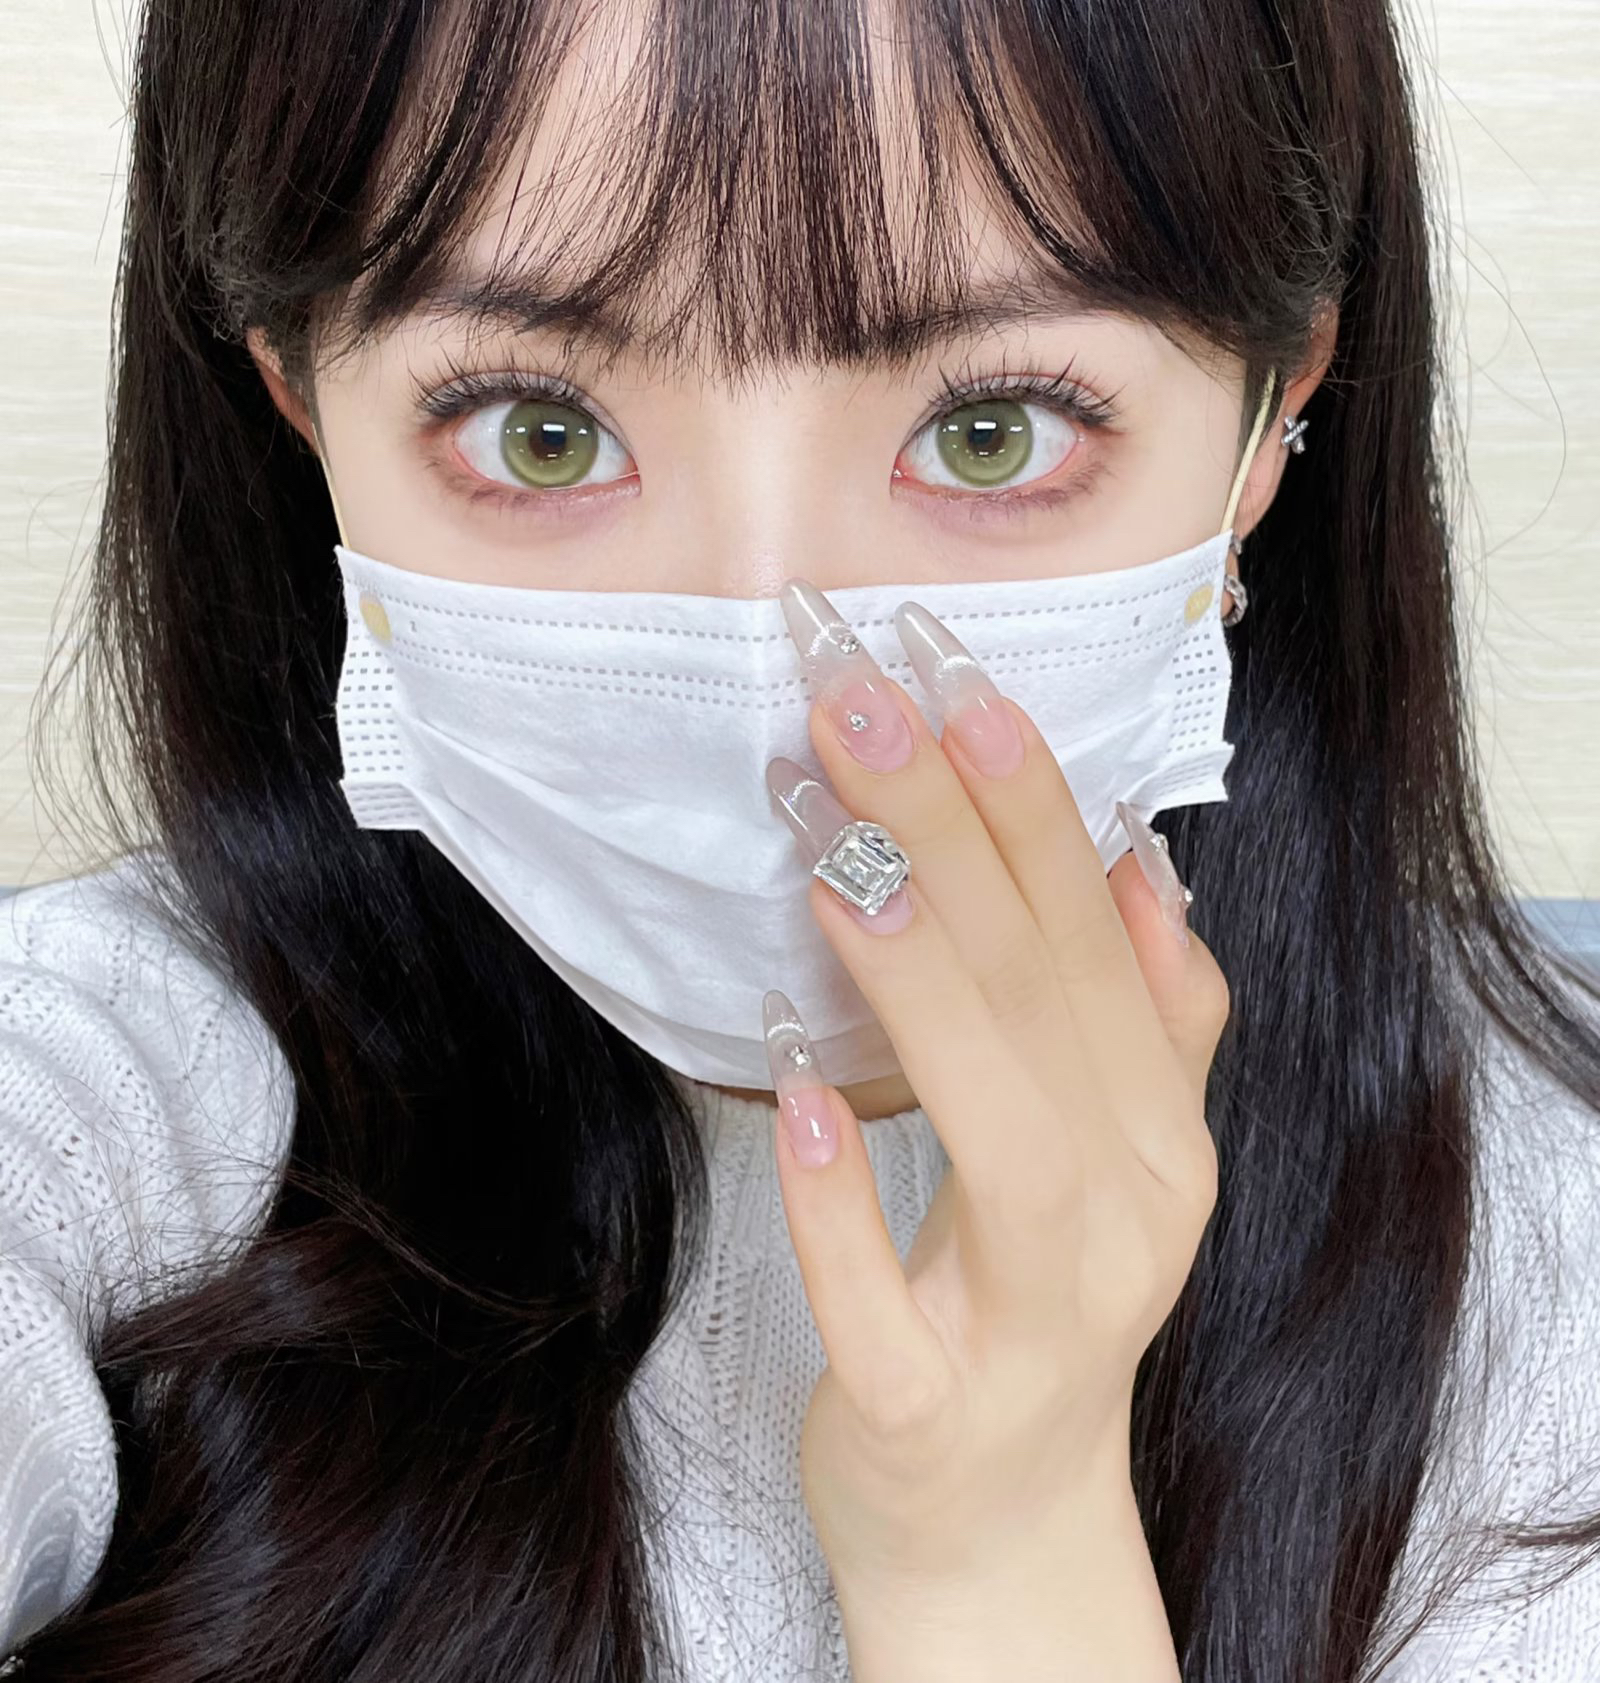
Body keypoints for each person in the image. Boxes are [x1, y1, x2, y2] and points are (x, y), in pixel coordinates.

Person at [2, 0, 1598, 1676]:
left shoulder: (1547, 1297)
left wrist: (1001, 1551)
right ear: (302, 401)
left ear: (1274, 416)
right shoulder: (113, 1094)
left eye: (991, 430)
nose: (781, 680)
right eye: (539, 430)